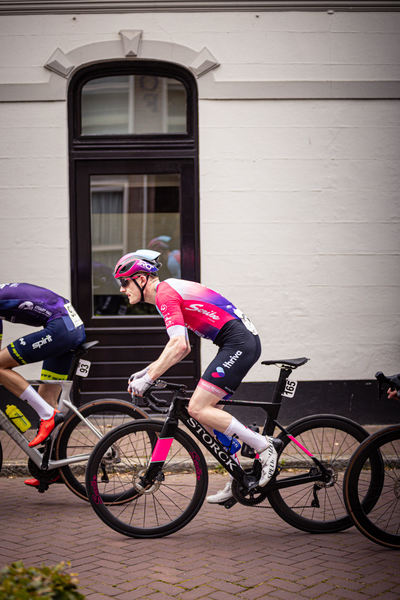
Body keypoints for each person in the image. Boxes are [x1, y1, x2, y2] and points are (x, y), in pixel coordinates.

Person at [113, 250, 279, 504]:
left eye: (124, 281)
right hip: (237, 343)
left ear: (142, 278)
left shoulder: (164, 294)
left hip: (238, 344)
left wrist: (148, 379)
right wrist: (149, 371)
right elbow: (178, 346)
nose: (122, 289)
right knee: (211, 421)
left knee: (197, 408)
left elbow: (180, 346)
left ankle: (265, 447)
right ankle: (239, 478)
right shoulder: (166, 292)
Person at [0, 283, 86, 487]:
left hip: (61, 328)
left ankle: (49, 415)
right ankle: (52, 467)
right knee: (46, 397)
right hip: (70, 327)